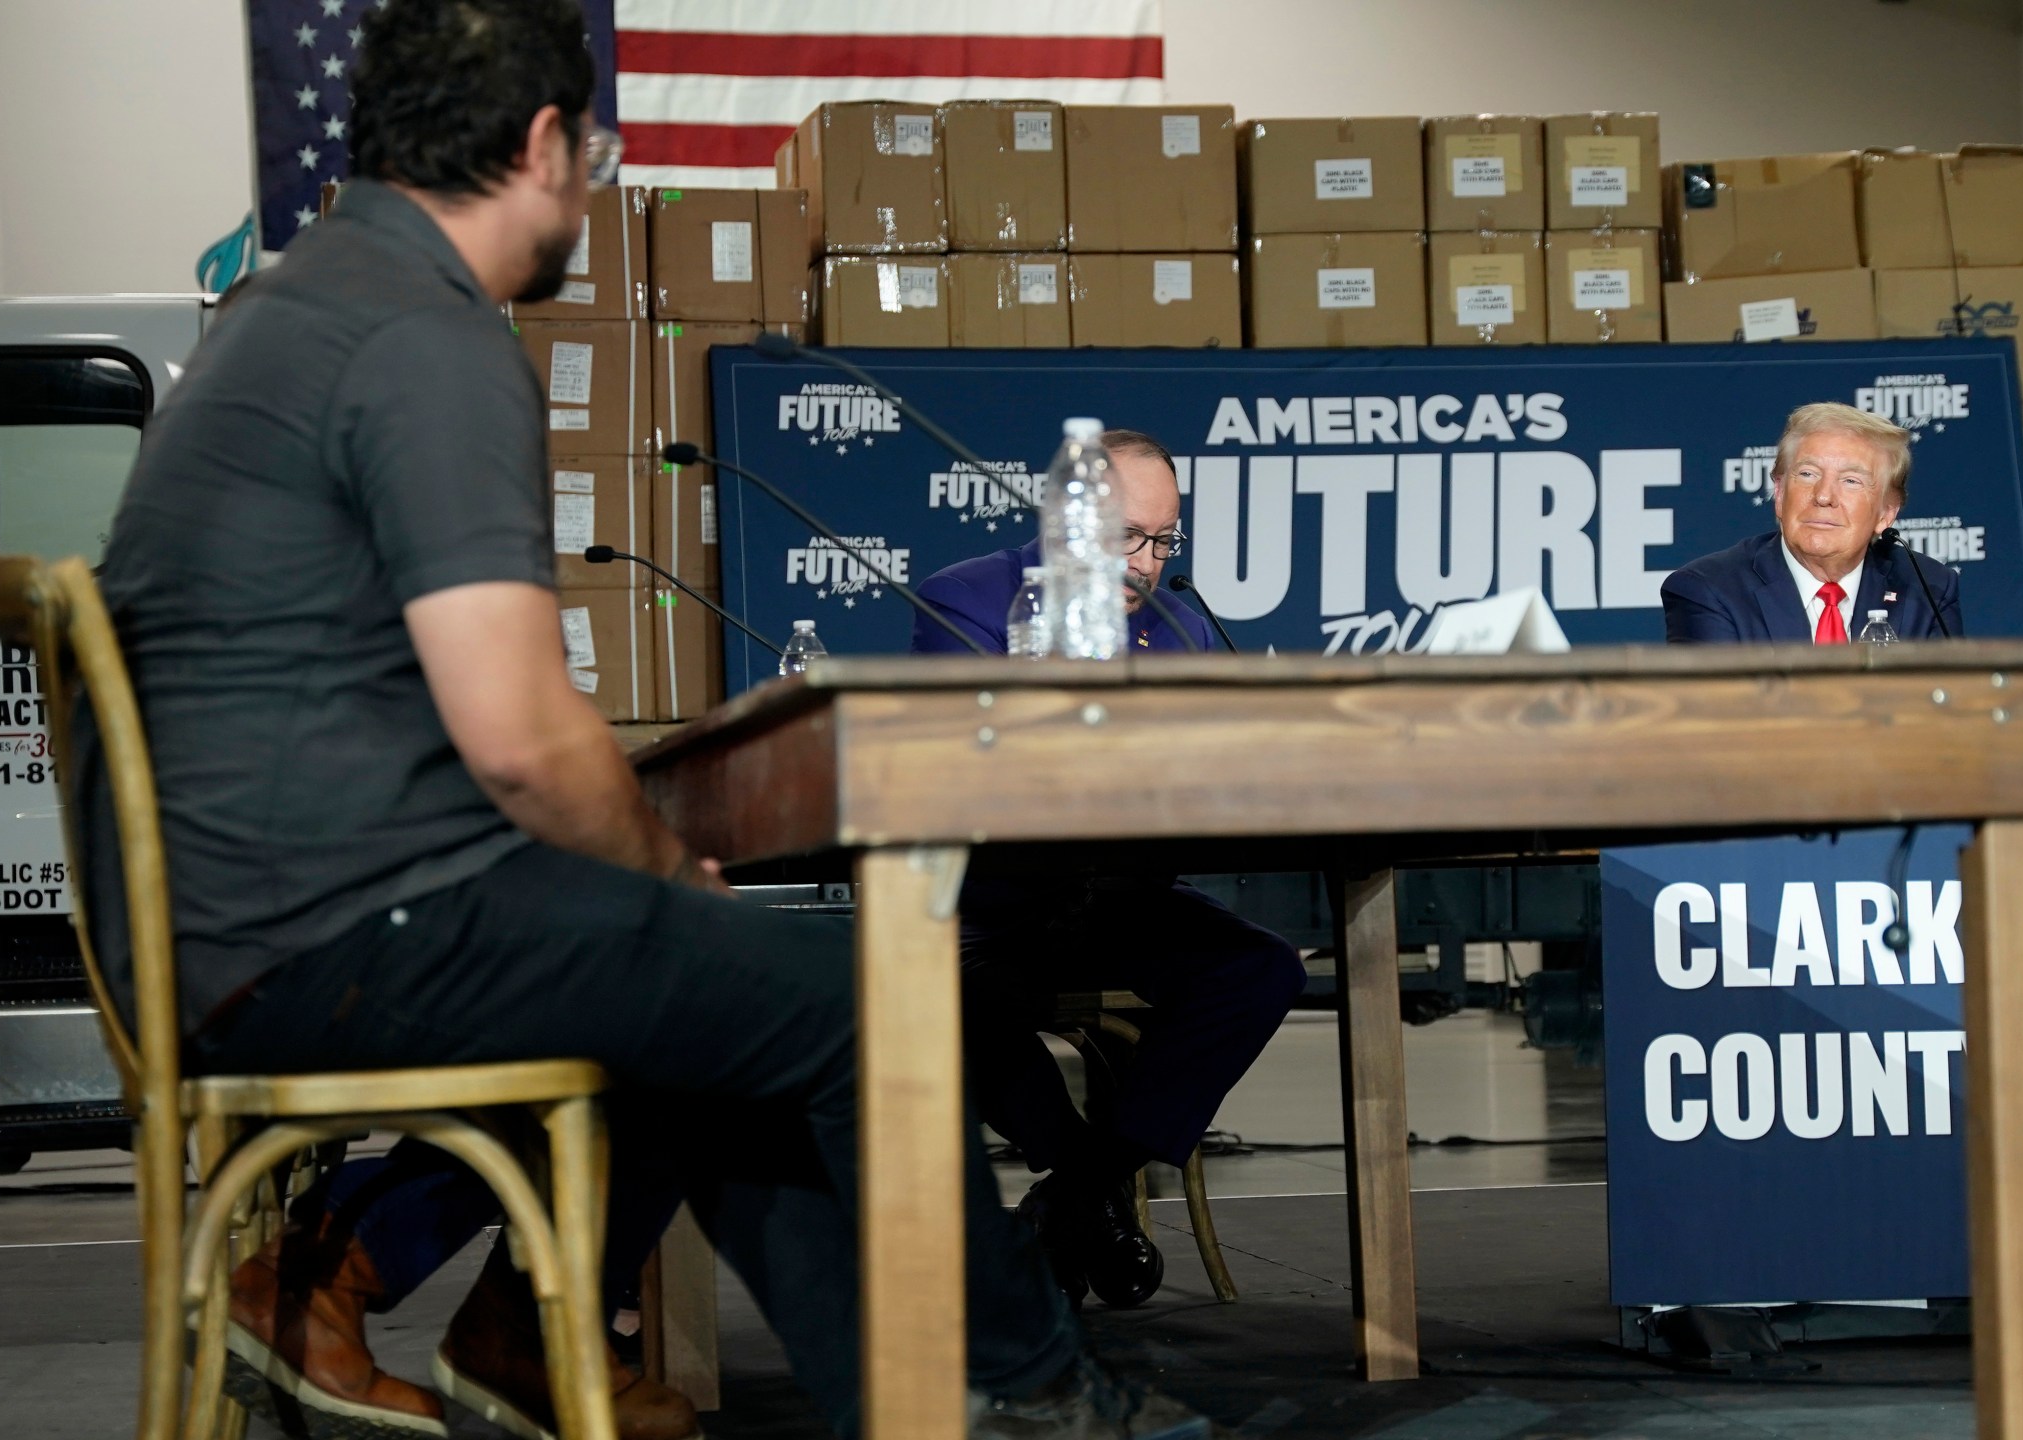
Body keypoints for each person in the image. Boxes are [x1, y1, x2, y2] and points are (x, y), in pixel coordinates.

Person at [80, 4, 1204, 1438]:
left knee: (732, 981)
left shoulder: (295, 311)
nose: (594, 188)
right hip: (310, 940)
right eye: (597, 154)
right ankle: (1025, 1396)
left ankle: (551, 1338)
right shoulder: (424, 340)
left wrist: (667, 896)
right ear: (544, 144)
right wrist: (666, 867)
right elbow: (520, 740)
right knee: (844, 991)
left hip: (229, 925)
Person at [911, 432, 1308, 1308]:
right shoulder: (966, 600)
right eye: (1129, 537)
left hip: (1125, 895)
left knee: (1261, 970)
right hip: (995, 901)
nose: (1148, 564)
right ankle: (1083, 1193)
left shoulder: (1178, 623)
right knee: (946, 995)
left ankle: (1076, 1193)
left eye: (1164, 541)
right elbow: (980, 763)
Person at [1661, 402, 1962, 644]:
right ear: (1779, 493)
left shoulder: (1928, 588)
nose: (1824, 496)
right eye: (1808, 474)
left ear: (1886, 513)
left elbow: (1951, 709)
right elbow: (1718, 716)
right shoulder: (1709, 590)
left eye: (1851, 481)